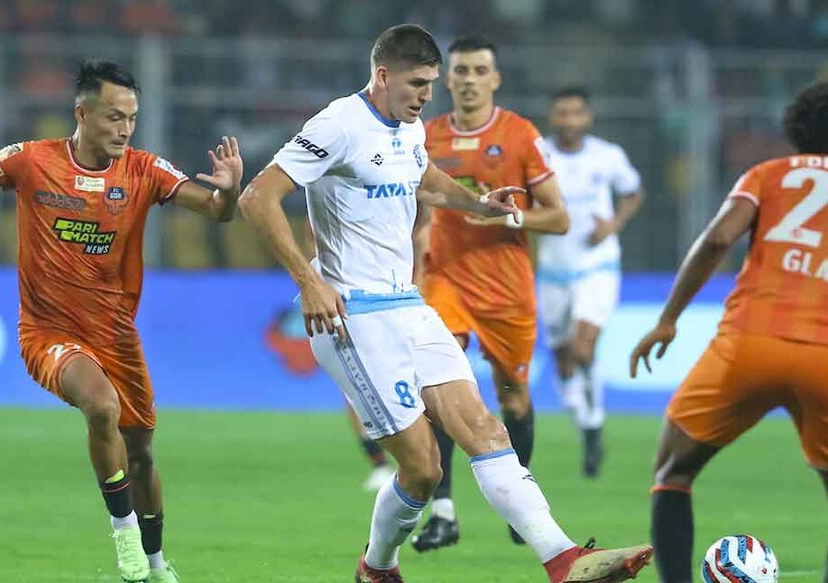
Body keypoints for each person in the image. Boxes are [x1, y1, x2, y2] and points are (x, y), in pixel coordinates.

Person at [238, 23, 650, 583]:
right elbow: (258, 196)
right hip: (353, 316)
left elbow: (425, 180)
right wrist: (309, 282)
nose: (427, 95)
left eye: (432, 84)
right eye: (417, 84)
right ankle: (376, 567)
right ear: (382, 76)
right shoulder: (338, 125)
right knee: (423, 469)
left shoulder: (409, 130)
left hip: (409, 304)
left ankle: (564, 559)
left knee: (486, 429)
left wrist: (478, 205)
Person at [0, 60, 244, 583]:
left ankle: (157, 565)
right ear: (82, 113)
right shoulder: (31, 160)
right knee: (100, 406)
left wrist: (229, 190)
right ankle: (124, 539)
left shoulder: (143, 170)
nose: (125, 129)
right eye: (115, 117)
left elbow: (216, 211)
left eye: (132, 119)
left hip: (116, 334)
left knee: (139, 454)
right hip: (47, 333)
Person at [630, 79, 828, 583]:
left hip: (748, 344)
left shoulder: (770, 174)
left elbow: (716, 241)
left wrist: (668, 318)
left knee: (674, 473)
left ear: (799, 128)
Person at [411, 36, 569, 551]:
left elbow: (560, 217)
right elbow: (414, 212)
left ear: (495, 79)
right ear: (446, 79)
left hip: (506, 286)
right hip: (445, 278)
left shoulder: (520, 135)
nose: (470, 79)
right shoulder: (423, 135)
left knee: (515, 398)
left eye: (481, 70)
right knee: (437, 382)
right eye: (461, 70)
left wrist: (511, 215)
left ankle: (518, 500)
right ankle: (444, 512)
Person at [538, 86, 644, 478]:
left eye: (576, 113)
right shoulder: (538, 155)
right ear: (553, 117)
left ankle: (595, 421)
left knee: (583, 349)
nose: (569, 120)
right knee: (564, 359)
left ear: (588, 117)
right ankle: (586, 424)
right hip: (552, 269)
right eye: (561, 113)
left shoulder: (608, 155)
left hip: (597, 265)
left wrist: (613, 225)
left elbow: (633, 193)